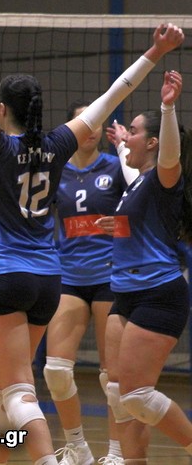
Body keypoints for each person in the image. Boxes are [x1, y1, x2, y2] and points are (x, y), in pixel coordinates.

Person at [0, 6, 183, 465]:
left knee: (19, 391)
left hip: (3, 276)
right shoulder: (60, 143)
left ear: (1, 109)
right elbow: (115, 92)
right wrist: (155, 52)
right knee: (2, 383)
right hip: (48, 280)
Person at [99, 70, 192, 463]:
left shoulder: (163, 178)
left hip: (158, 293)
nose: (127, 139)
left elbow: (168, 155)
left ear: (153, 142)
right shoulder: (137, 183)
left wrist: (167, 107)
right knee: (116, 390)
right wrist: (123, 141)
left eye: (134, 132)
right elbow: (131, 166)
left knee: (137, 395)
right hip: (125, 293)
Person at [45, 101, 137, 465]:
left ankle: (115, 453)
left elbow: (142, 209)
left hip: (109, 277)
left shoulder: (115, 168)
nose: (92, 127)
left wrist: (122, 227)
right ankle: (78, 448)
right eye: (85, 121)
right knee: (55, 371)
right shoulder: (56, 171)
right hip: (69, 276)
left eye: (97, 121)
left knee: (112, 378)